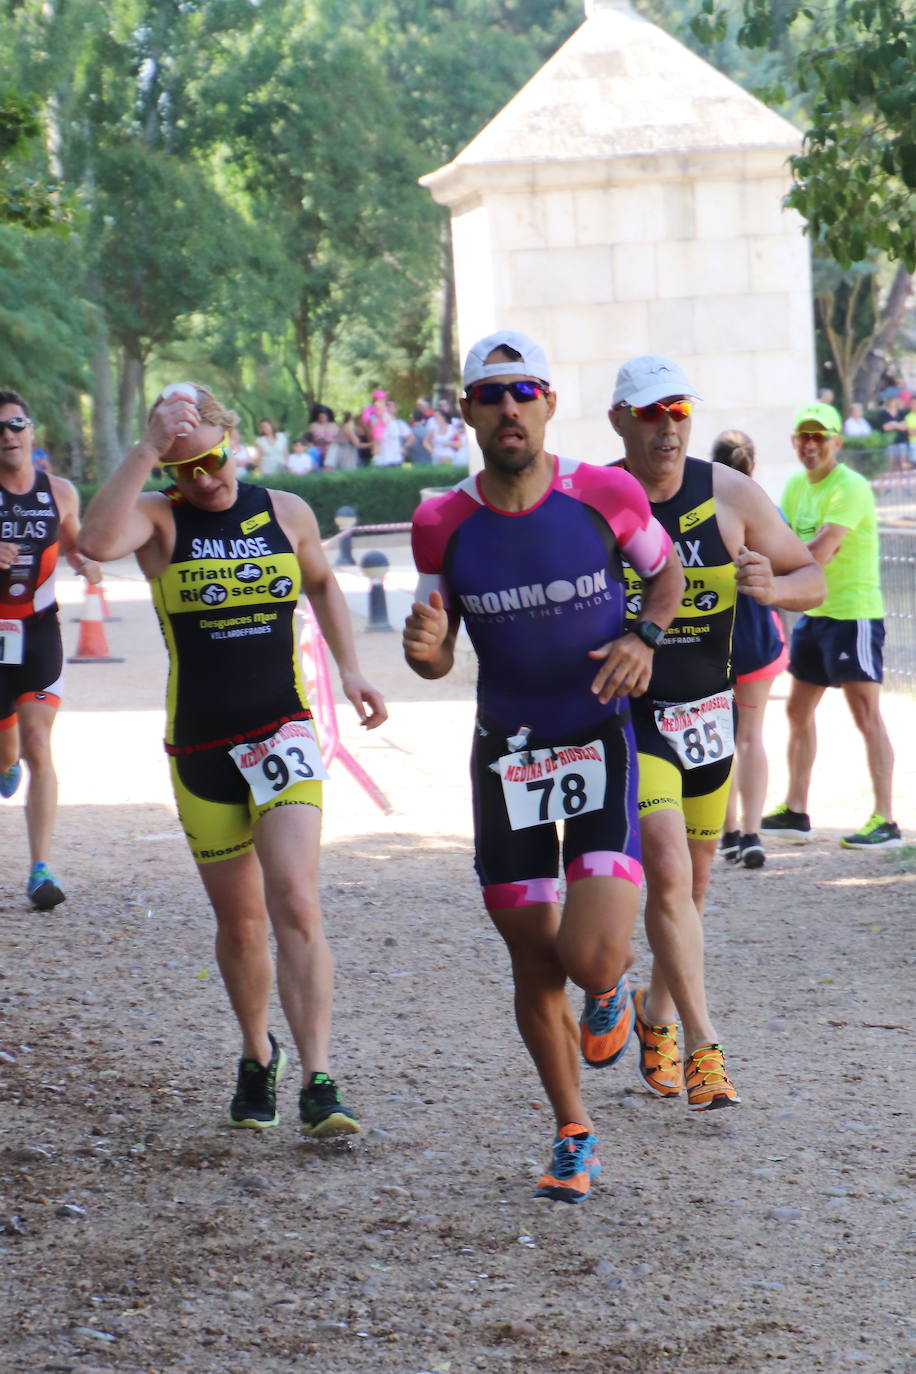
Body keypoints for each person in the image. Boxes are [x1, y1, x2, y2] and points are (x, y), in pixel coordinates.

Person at [404, 331, 685, 1204]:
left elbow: (668, 576)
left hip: (598, 737)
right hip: (509, 757)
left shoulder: (604, 494)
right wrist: (424, 655)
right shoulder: (440, 521)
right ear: (468, 414)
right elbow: (435, 651)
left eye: (524, 391)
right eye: (492, 395)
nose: (510, 408)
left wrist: (645, 635)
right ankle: (573, 1133)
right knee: (533, 961)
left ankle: (611, 992)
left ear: (550, 403)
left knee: (593, 959)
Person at [79, 381, 387, 1139]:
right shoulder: (157, 518)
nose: (205, 480)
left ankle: (319, 1076)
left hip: (281, 732)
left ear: (234, 442)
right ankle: (259, 1057)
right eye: (186, 470)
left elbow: (320, 580)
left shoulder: (285, 512)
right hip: (200, 745)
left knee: (294, 898)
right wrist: (148, 448)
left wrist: (350, 670)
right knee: (243, 924)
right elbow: (91, 542)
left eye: (213, 461)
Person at [606, 355, 825, 1111]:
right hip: (632, 719)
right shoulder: (595, 500)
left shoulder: (728, 494)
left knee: (693, 886)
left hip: (708, 714)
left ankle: (654, 1012)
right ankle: (705, 1046)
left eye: (678, 412)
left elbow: (811, 578)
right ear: (618, 421)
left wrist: (776, 587)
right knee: (668, 870)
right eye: (648, 413)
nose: (666, 427)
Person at [761, 401, 902, 850]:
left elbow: (817, 552)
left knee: (866, 716)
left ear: (837, 442)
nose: (811, 444)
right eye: (804, 435)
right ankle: (796, 810)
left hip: (853, 614)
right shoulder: (795, 488)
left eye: (819, 436)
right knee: (797, 711)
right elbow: (782, 543)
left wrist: (777, 566)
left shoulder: (851, 487)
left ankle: (886, 820)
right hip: (815, 615)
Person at [0, 388, 103, 908]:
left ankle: (40, 869)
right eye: (0, 429)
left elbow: (76, 541)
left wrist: (86, 562)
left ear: (31, 432)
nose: (8, 436)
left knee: (40, 745)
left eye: (16, 425)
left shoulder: (60, 492)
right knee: (9, 751)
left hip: (39, 630)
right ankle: (5, 757)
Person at [710, 431, 788, 870]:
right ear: (752, 466)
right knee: (752, 737)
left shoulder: (704, 513)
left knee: (718, 738)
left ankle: (729, 832)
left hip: (714, 639)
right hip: (758, 637)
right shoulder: (765, 512)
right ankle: (753, 834)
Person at [373, 399, 411, 468]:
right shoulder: (378, 423)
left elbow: (411, 437)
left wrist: (404, 447)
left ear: (395, 410)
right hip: (383, 461)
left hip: (397, 459)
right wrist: (376, 459)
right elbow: (376, 442)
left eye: (391, 406)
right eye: (387, 405)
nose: (388, 408)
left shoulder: (399, 423)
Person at [876, 394, 909, 470]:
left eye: (894, 401)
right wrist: (897, 424)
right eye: (891, 401)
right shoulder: (883, 414)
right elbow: (885, 427)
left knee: (902, 461)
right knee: (890, 461)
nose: (893, 403)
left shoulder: (901, 413)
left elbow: (904, 427)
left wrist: (892, 424)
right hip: (889, 441)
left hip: (901, 440)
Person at [307, 406, 338, 470]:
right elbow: (309, 439)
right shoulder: (313, 425)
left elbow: (339, 439)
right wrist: (317, 440)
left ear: (327, 416)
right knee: (311, 450)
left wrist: (331, 440)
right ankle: (314, 468)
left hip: (330, 447)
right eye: (320, 417)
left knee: (333, 448)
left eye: (323, 417)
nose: (322, 419)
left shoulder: (333, 425)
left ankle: (328, 468)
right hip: (318, 447)